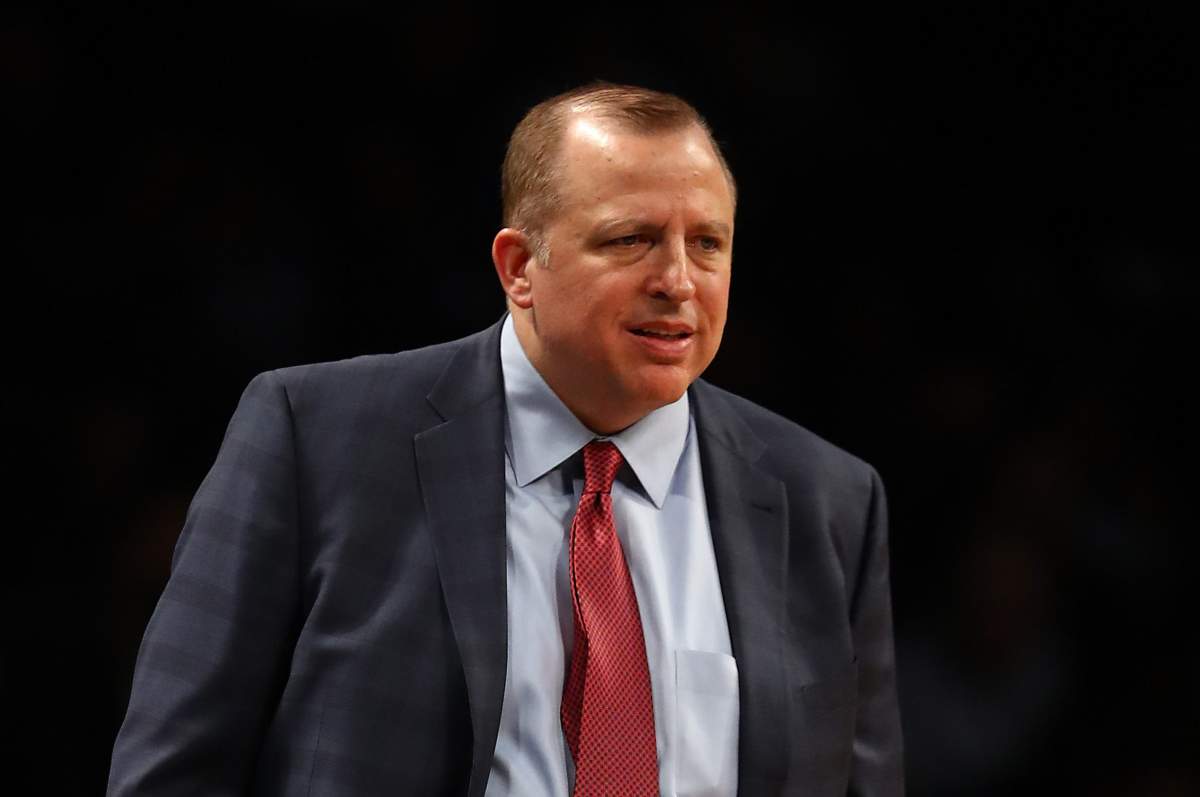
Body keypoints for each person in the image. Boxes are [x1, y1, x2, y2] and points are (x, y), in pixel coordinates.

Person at [108, 82, 904, 796]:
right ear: (520, 266)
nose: (677, 280)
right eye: (631, 238)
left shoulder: (830, 499)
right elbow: (174, 769)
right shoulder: (316, 438)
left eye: (708, 243)